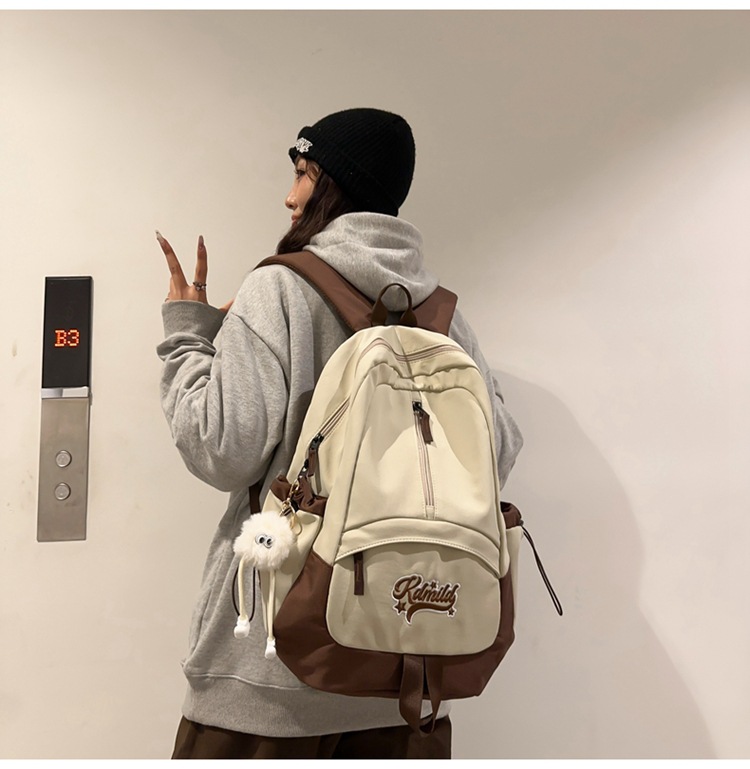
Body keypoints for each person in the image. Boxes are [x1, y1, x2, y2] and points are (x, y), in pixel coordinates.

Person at [156, 107, 523, 759]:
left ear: (333, 185)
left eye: (303, 173)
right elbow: (498, 449)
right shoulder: (442, 314)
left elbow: (222, 449)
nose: (290, 195)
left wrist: (188, 337)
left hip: (268, 680)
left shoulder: (280, 288)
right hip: (405, 674)